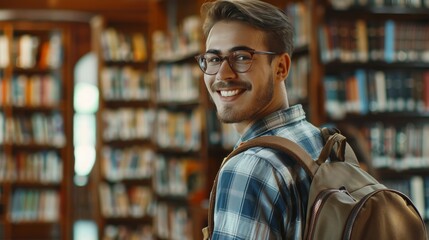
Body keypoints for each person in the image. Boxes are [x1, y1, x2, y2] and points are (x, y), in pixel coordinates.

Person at [194, 0, 325, 239]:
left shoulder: (250, 169)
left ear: (281, 67)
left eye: (242, 57)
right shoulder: (322, 141)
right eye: (213, 59)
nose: (223, 74)